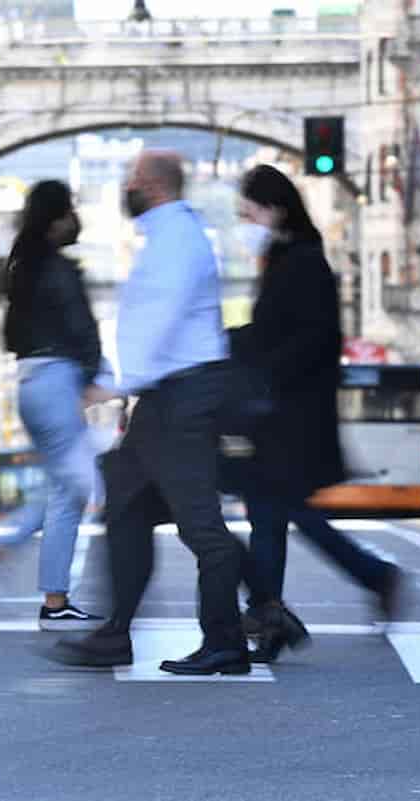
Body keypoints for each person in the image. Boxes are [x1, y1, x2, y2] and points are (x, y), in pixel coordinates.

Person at [51, 150, 249, 676]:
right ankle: (115, 634)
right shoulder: (167, 236)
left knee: (200, 526)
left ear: (155, 186)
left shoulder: (177, 239)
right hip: (164, 398)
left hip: (182, 396)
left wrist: (112, 384)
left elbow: (158, 319)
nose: (126, 188)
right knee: (126, 507)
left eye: (133, 180)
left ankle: (229, 639)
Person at [223, 165, 404, 663]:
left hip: (291, 411)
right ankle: (277, 612)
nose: (246, 224)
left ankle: (352, 582)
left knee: (277, 509)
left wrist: (249, 358)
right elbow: (273, 331)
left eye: (249, 213)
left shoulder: (301, 261)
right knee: (274, 512)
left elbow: (308, 338)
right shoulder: (288, 257)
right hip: (282, 408)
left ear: (275, 209)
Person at [0, 180, 104, 630]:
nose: (74, 219)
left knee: (64, 485)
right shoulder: (58, 269)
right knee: (79, 487)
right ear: (57, 218)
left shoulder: (21, 268)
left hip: (28, 383)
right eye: (69, 211)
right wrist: (92, 376)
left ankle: (51, 595)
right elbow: (82, 327)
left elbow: (10, 336)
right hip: (57, 380)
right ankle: (24, 562)